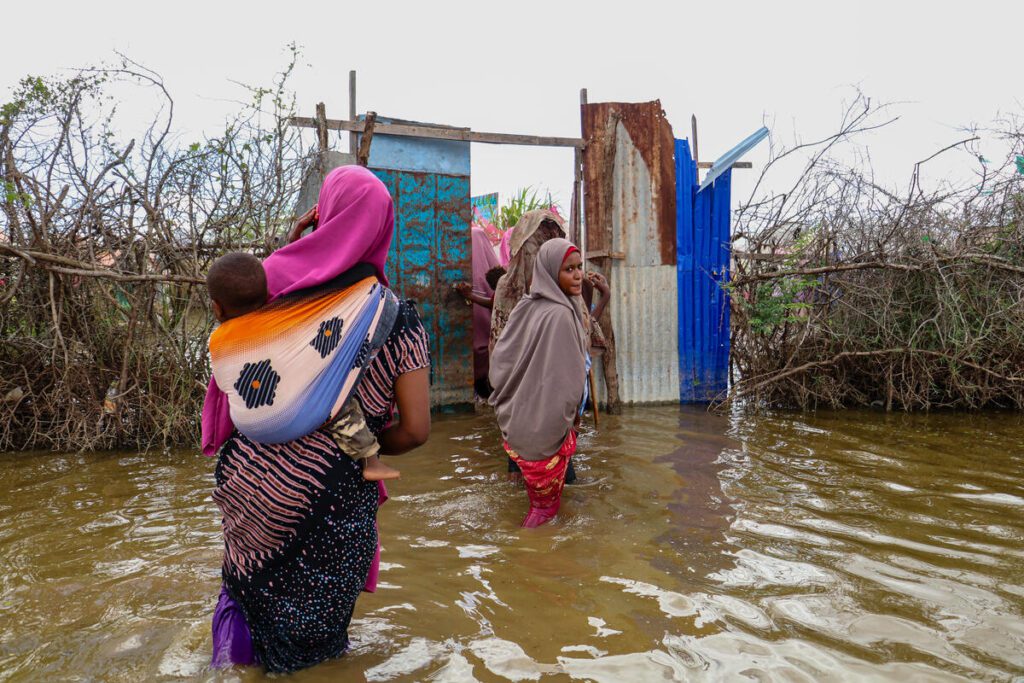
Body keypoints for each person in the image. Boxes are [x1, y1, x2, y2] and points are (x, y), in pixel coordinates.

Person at [203, 165, 431, 674]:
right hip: (322, 507)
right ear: (383, 226)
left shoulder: (277, 289)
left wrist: (293, 243)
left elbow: (251, 322)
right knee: (311, 658)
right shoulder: (396, 318)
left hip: (247, 490)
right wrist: (362, 445)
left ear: (326, 218)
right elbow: (416, 430)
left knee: (249, 607)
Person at [205, 250, 400, 482]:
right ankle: (371, 462)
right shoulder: (284, 318)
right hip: (299, 419)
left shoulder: (216, 342)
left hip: (250, 428)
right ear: (268, 292)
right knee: (339, 400)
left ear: (217, 308)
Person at [489, 238, 588, 527]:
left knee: (540, 502)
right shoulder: (561, 314)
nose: (578, 275)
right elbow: (569, 385)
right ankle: (529, 563)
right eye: (569, 269)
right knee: (543, 513)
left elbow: (501, 361)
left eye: (579, 267)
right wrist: (569, 421)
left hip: (517, 425)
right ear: (550, 271)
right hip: (548, 430)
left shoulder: (526, 305)